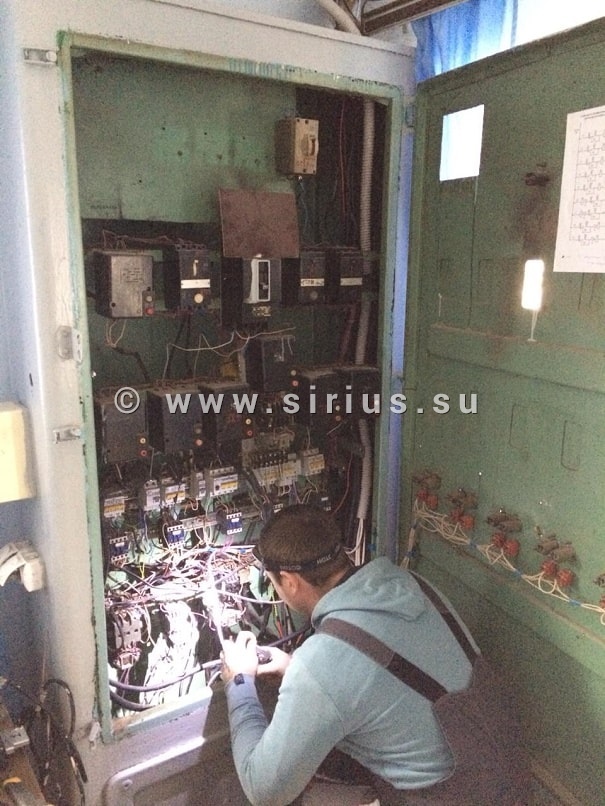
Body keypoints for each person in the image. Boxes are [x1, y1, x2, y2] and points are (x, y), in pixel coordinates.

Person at [220, 504, 529, 806]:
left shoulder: (321, 665)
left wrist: (240, 683)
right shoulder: (409, 583)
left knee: (261, 793)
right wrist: (294, 669)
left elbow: (263, 790)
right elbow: (382, 677)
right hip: (506, 770)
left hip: (443, 796)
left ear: (290, 582)